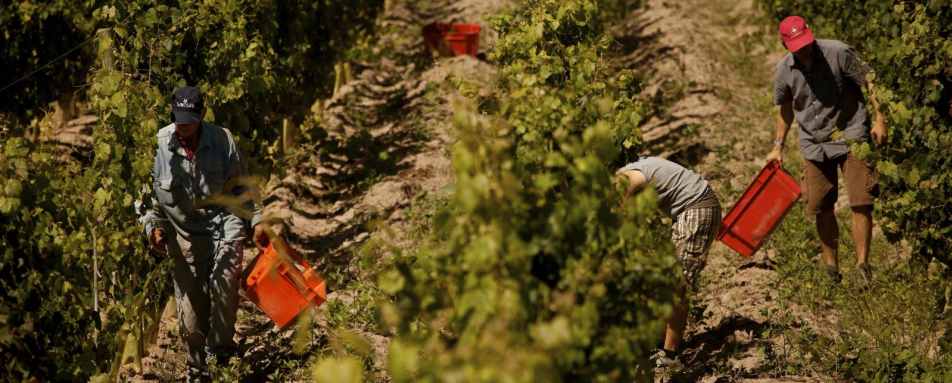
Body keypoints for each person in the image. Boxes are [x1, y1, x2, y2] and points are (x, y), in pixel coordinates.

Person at [139, 86, 269, 382]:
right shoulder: (158, 144)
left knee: (224, 287)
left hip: (224, 224)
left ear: (202, 115)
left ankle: (221, 356)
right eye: (178, 119)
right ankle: (198, 368)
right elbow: (146, 198)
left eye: (189, 120)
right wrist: (153, 228)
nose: (183, 126)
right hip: (183, 235)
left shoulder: (223, 140)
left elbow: (241, 186)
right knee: (191, 313)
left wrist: (257, 221)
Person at [767, 16, 886, 283]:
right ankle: (831, 269)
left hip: (851, 132)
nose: (804, 49)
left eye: (806, 43)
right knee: (820, 206)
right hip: (814, 142)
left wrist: (880, 119)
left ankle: (862, 267)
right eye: (797, 46)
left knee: (861, 201)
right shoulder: (784, 70)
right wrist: (778, 147)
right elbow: (785, 109)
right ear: (786, 44)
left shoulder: (838, 52)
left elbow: (870, 81)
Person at [616, 156, 721, 369]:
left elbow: (620, 221)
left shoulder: (624, 180)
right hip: (692, 209)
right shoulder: (628, 172)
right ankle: (661, 344)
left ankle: (670, 355)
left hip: (696, 209)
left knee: (676, 284)